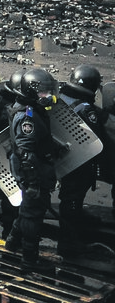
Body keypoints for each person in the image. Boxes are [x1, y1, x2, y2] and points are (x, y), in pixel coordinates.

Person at [5, 68, 58, 268]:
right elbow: (26, 154)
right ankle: (29, 258)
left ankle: (12, 240)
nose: (48, 96)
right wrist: (34, 182)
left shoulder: (30, 109)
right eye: (44, 92)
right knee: (32, 214)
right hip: (32, 171)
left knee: (28, 209)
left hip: (32, 168)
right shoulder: (27, 116)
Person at [57, 64, 106, 248]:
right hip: (80, 161)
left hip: (64, 156)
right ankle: (68, 241)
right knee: (72, 199)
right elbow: (97, 139)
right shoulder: (86, 109)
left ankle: (75, 220)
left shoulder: (62, 99)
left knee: (69, 195)